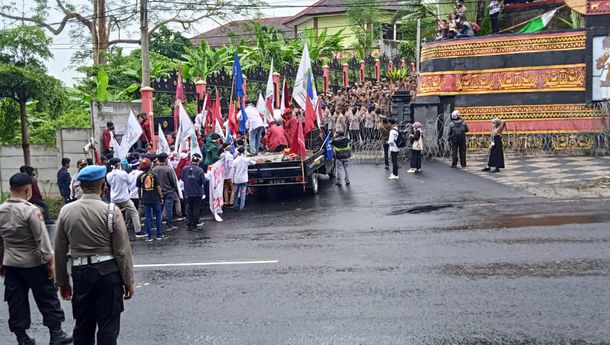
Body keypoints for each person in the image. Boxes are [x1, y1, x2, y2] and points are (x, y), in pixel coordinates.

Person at [54, 165, 134, 345]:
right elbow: (121, 251)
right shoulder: (112, 211)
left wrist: (63, 282)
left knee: (83, 325)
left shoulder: (66, 211)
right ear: (103, 186)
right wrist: (128, 281)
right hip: (108, 272)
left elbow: (59, 249)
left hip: (80, 272)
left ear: (80, 187)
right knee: (108, 327)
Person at [0, 173, 72, 345]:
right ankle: (56, 334)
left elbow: (0, 240)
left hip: (11, 264)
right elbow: (42, 240)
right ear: (27, 189)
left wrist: (1, 261)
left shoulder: (1, 210)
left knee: (15, 301)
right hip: (34, 263)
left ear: (11, 189)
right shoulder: (31, 211)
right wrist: (51, 263)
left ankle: (22, 338)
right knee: (47, 299)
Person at [106, 158, 144, 239]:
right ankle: (138, 231)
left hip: (114, 197)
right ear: (119, 164)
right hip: (124, 197)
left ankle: (113, 232)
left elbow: (110, 184)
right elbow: (129, 182)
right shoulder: (122, 173)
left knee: (113, 215)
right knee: (134, 212)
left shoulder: (108, 175)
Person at [137, 158, 168, 241]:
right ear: (150, 165)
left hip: (146, 198)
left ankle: (149, 236)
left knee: (148, 217)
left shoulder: (140, 176)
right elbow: (158, 187)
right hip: (155, 198)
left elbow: (139, 189)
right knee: (158, 216)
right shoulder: (154, 175)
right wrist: (161, 197)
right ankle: (159, 234)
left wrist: (140, 198)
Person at [152, 153, 179, 233]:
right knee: (168, 209)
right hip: (168, 191)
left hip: (158, 192)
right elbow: (173, 181)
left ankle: (159, 226)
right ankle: (169, 226)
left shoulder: (154, 169)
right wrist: (173, 188)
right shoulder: (169, 169)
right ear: (165, 159)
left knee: (158, 210)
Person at [182, 153, 206, 231]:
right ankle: (195, 223)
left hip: (188, 191)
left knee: (190, 207)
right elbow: (203, 182)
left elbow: (182, 179)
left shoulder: (185, 168)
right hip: (197, 191)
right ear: (198, 161)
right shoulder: (200, 170)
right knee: (196, 207)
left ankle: (189, 222)